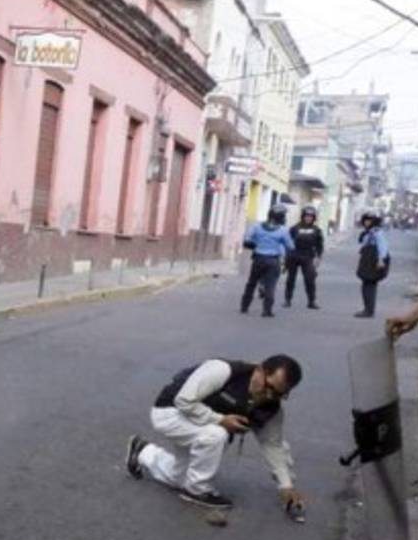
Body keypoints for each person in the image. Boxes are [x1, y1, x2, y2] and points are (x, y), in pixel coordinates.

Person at [124, 355, 308, 522]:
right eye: (270, 388)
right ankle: (198, 490)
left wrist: (286, 486)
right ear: (259, 371)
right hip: (170, 412)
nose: (270, 396)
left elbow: (273, 445)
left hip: (199, 427)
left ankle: (142, 451)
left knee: (179, 477)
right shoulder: (223, 371)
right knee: (217, 434)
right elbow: (184, 401)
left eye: (279, 394)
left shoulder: (272, 408)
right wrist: (220, 420)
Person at [240, 204, 295, 318]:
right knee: (270, 286)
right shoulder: (283, 231)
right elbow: (290, 246)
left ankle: (244, 306)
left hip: (258, 259)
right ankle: (267, 310)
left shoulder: (257, 226)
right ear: (280, 217)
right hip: (273, 261)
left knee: (251, 283)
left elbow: (247, 240)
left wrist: (257, 245)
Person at [284, 205, 324, 309]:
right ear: (303, 216)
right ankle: (287, 300)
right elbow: (287, 242)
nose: (308, 218)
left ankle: (311, 301)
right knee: (290, 279)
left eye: (311, 216)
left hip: (308, 256)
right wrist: (286, 257)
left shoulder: (317, 230)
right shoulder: (294, 228)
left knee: (310, 279)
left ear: (314, 218)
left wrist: (318, 257)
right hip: (294, 255)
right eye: (306, 216)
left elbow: (320, 245)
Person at [355, 209, 390, 318]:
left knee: (369, 286)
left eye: (370, 220)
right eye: (366, 220)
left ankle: (369, 311)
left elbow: (383, 247)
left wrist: (381, 260)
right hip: (368, 261)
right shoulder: (368, 232)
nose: (367, 222)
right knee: (366, 285)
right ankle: (367, 309)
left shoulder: (377, 232)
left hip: (373, 262)